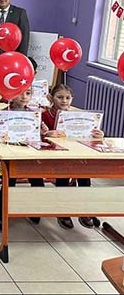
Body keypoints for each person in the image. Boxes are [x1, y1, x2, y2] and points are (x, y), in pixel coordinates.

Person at [42, 84, 104, 230]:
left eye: (68, 98)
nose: (64, 101)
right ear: (50, 98)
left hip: (74, 154)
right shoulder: (44, 116)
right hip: (53, 156)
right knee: (63, 173)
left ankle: (84, 210)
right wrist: (46, 134)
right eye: (60, 97)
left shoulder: (77, 116)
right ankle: (63, 212)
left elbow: (88, 136)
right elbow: (36, 136)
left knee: (84, 173)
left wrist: (99, 135)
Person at [0, 87, 45, 231]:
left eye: (28, 93)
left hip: (30, 157)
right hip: (9, 156)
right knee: (9, 182)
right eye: (20, 93)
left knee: (38, 181)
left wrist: (43, 131)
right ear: (11, 94)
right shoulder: (4, 113)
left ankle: (35, 210)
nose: (24, 97)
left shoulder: (34, 114)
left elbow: (39, 136)